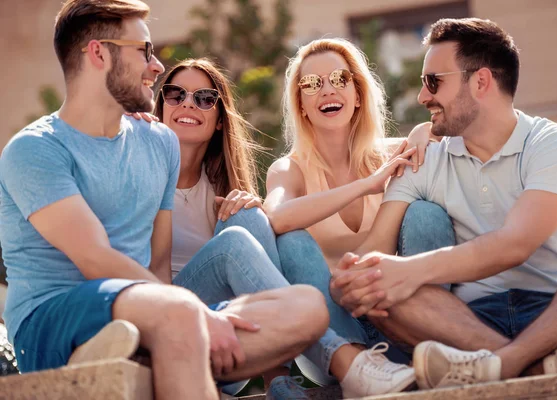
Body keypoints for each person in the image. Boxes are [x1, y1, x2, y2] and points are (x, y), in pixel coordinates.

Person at [0, 2, 328, 399]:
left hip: (153, 313)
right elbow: (95, 259)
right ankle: (135, 347)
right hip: (52, 322)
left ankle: (143, 355)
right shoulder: (36, 149)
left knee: (308, 308)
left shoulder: (159, 142)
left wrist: (186, 317)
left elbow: (157, 265)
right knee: (181, 313)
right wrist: (196, 314)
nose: (156, 66)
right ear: (99, 53)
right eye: (144, 50)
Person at [132, 57, 430, 398]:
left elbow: (433, 131)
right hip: (166, 316)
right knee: (237, 241)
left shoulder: (222, 188)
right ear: (161, 106)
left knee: (248, 215)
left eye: (204, 98)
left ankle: (278, 377)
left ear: (218, 120)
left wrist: (421, 131)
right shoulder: (142, 169)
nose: (188, 103)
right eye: (174, 94)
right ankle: (347, 361)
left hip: (230, 338)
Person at [329, 17, 557, 390]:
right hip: (467, 325)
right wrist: (352, 277)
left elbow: (514, 244)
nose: (423, 97)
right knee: (380, 288)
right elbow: (373, 251)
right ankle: (534, 368)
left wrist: (411, 270)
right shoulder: (423, 161)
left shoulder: (554, 144)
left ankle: (504, 364)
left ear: (481, 81)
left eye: (433, 81)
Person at [262, 38, 436, 396]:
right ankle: (355, 365)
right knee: (291, 240)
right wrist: (365, 185)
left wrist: (420, 132)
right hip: (333, 335)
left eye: (340, 78)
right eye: (311, 84)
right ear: (302, 105)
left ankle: (434, 339)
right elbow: (276, 217)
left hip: (400, 321)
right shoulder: (289, 169)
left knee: (426, 214)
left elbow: (439, 136)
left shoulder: (392, 155)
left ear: (358, 95)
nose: (327, 89)